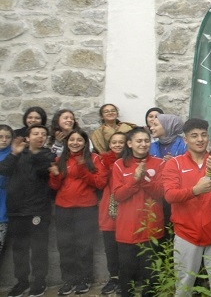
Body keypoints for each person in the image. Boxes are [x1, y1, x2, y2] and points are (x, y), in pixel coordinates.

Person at [162, 118, 211, 297]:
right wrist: (195, 190)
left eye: (203, 135)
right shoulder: (175, 163)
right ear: (185, 140)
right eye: (194, 136)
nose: (200, 139)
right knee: (184, 285)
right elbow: (170, 195)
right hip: (186, 232)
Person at [48, 129, 107, 295]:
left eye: (79, 140)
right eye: (72, 140)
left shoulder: (94, 159)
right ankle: (68, 280)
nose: (75, 143)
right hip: (63, 209)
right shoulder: (60, 159)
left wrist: (82, 169)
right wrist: (55, 176)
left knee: (84, 246)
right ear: (67, 143)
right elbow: (54, 187)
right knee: (65, 246)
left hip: (85, 209)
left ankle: (84, 279)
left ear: (85, 142)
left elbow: (100, 182)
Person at [0, 124, 56, 297]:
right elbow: (4, 170)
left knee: (39, 248)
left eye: (43, 134)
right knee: (20, 249)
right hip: (16, 210)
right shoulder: (17, 153)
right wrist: (15, 153)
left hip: (38, 210)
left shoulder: (48, 155)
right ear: (27, 136)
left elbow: (41, 170)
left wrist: (32, 151)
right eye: (36, 133)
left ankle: (39, 282)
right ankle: (21, 282)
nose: (40, 136)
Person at [111, 127, 165, 297]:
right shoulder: (119, 165)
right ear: (129, 143)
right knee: (127, 274)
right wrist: (134, 179)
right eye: (139, 141)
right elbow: (119, 195)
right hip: (126, 228)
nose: (143, 144)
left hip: (152, 227)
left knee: (151, 275)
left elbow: (161, 193)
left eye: (146, 140)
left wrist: (143, 179)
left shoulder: (159, 163)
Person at [97, 132, 127, 295]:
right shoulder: (103, 161)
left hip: (127, 207)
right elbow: (100, 182)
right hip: (108, 207)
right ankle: (113, 277)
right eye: (114, 142)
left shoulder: (130, 160)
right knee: (110, 247)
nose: (117, 145)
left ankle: (127, 278)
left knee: (126, 247)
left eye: (121, 142)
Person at [0, 125, 12, 265]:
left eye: (7, 137)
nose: (4, 140)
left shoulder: (13, 155)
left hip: (3, 210)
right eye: (1, 137)